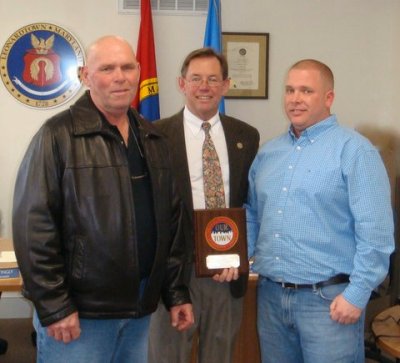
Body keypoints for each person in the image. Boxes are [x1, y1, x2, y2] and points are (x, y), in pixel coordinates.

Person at [12, 35, 193, 363]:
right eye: (107, 68)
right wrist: (55, 306)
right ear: (85, 76)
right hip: (81, 315)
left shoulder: (153, 138)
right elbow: (33, 228)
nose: (120, 76)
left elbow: (172, 222)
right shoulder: (57, 136)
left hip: (139, 309)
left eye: (127, 67)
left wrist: (176, 292)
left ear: (139, 71)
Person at [246, 59, 395, 363]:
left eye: (306, 90)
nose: (295, 99)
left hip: (329, 303)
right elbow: (252, 215)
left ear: (328, 98)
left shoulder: (355, 151)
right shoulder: (268, 154)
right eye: (289, 90)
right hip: (271, 299)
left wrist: (357, 294)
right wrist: (234, 256)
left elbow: (377, 234)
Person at [148, 47, 260, 363]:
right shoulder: (154, 135)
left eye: (213, 79)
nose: (204, 86)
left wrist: (241, 255)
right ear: (181, 84)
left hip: (227, 273)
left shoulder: (246, 136)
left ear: (226, 85)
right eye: (196, 78)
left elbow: (250, 203)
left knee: (220, 356)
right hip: (175, 275)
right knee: (167, 357)